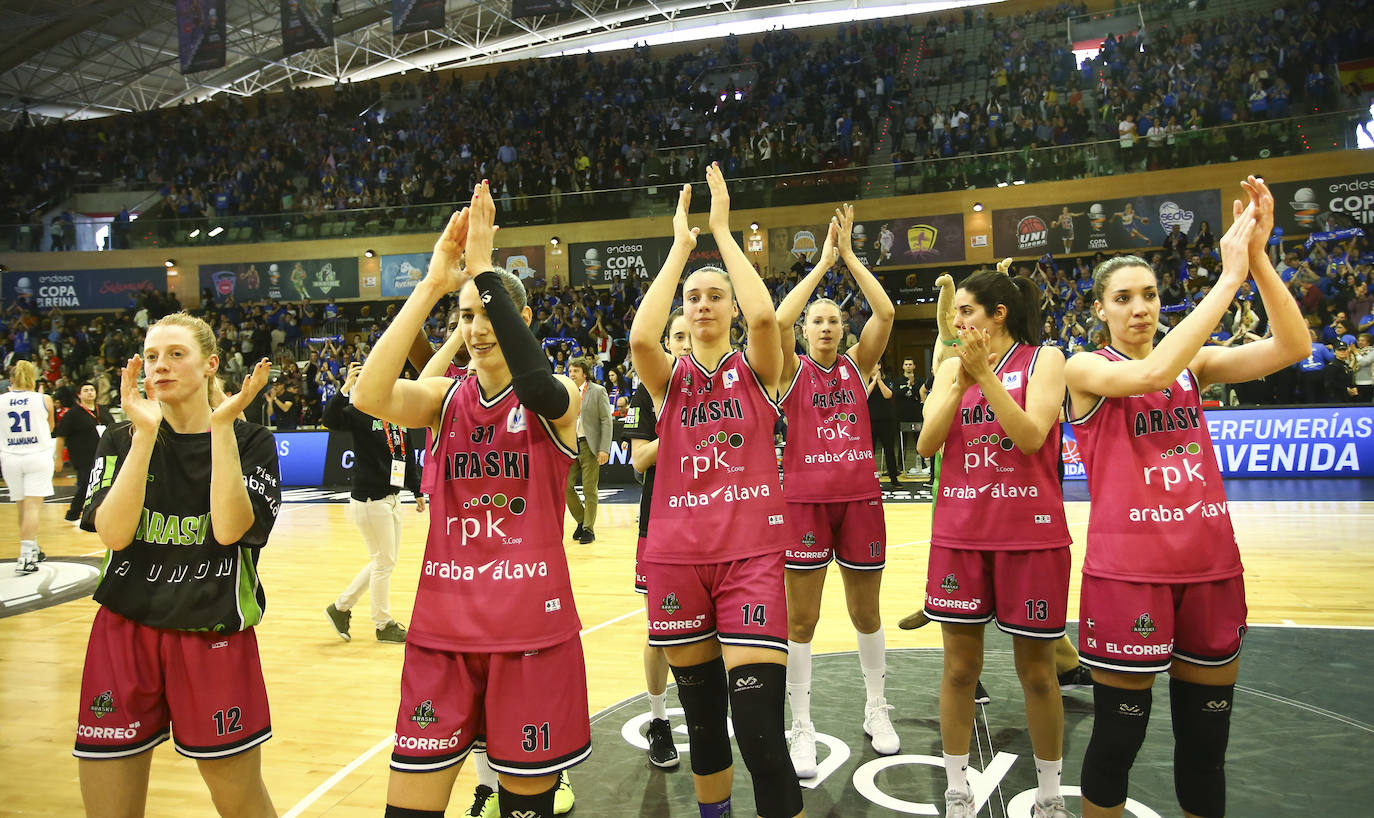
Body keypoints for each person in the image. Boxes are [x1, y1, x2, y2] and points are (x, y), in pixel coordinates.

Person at [1065, 177, 1308, 818]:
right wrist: (1226, 280)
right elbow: (1148, 373)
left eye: (1149, 294)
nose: (1140, 307)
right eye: (1123, 298)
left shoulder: (1194, 367)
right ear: (1100, 311)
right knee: (1119, 738)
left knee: (1205, 747)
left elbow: (1293, 347)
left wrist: (1255, 256)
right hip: (1129, 576)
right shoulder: (1083, 370)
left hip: (1209, 568)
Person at [353, 184, 584, 818]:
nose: (476, 329)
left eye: (485, 313)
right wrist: (432, 286)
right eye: (465, 316)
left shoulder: (556, 392)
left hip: (528, 632)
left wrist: (484, 270)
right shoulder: (443, 397)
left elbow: (538, 387)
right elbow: (369, 395)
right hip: (444, 633)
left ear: (519, 318)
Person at [628, 165, 805, 818]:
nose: (701, 304)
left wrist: (723, 233)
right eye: (693, 298)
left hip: (750, 558)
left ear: (728, 309)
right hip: (677, 557)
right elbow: (642, 338)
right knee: (703, 723)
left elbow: (765, 315)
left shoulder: (758, 369)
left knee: (759, 730)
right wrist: (678, 249)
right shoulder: (667, 380)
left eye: (713, 296)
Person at [74, 313, 280, 817]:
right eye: (150, 356)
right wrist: (144, 436)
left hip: (210, 630)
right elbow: (114, 534)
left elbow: (230, 529)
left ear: (210, 364)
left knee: (241, 801)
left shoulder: (250, 440)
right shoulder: (122, 438)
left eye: (175, 354)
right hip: (124, 630)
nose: (159, 366)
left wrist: (223, 426)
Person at [915, 267, 1074, 818]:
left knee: (1037, 673)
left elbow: (1031, 437)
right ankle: (958, 787)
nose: (955, 320)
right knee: (959, 671)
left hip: (1030, 536)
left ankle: (1050, 794)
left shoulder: (1044, 360)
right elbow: (926, 446)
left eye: (965, 311)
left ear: (997, 314)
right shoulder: (948, 368)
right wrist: (959, 381)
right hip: (960, 534)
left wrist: (983, 378)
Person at [772, 206, 899, 779]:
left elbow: (887, 310)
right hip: (802, 503)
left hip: (860, 502)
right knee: (803, 620)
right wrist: (821, 264)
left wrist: (848, 258)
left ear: (843, 331)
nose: (824, 326)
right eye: (816, 320)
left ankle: (877, 707)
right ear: (805, 332)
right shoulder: (789, 370)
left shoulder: (856, 366)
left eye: (832, 320)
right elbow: (775, 322)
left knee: (865, 612)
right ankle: (800, 722)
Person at [623, 307, 692, 770]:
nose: (686, 343)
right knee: (660, 633)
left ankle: (705, 711)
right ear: (667, 343)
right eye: (679, 336)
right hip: (660, 526)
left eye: (692, 335)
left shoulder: (726, 387)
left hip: (712, 525)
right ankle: (659, 719)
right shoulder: (646, 392)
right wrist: (678, 429)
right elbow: (637, 461)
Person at [323, 361, 423, 645]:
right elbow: (330, 420)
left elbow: (407, 457)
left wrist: (416, 491)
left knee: (384, 561)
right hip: (370, 500)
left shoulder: (398, 417)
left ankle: (340, 607)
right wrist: (345, 388)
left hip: (391, 498)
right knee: (383, 563)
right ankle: (383, 624)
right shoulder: (360, 413)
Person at [2, 360, 55, 572]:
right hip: (37, 455)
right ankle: (25, 557)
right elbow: (50, 427)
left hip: (10, 457)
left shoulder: (1, 400)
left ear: (11, 379)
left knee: (21, 505)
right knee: (32, 507)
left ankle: (31, 548)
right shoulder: (43, 399)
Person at [52, 380, 114, 524]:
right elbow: (61, 436)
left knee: (106, 484)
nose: (89, 392)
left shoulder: (103, 411)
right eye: (85, 390)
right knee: (87, 483)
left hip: (104, 455)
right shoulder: (72, 414)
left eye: (92, 389)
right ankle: (73, 514)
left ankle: (101, 513)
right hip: (83, 456)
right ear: (79, 395)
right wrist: (59, 458)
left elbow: (114, 430)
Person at [565, 358, 612, 544]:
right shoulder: (566, 391)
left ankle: (588, 529)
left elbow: (606, 421)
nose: (572, 374)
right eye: (570, 371)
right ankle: (582, 520)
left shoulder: (598, 391)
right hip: (570, 445)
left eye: (575, 371)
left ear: (585, 373)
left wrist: (604, 448)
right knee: (565, 486)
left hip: (589, 445)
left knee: (589, 489)